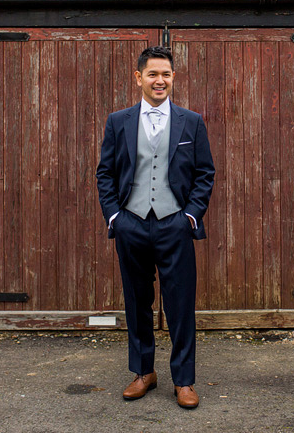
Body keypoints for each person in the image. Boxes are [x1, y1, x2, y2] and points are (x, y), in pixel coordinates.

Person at [95, 45, 215, 409]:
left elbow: (204, 174)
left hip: (173, 225)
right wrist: (116, 217)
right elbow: (105, 173)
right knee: (137, 302)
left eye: (165, 74)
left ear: (173, 77)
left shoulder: (191, 121)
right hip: (132, 223)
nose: (159, 80)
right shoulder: (118, 121)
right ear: (139, 78)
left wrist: (190, 217)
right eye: (152, 74)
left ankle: (183, 380)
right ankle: (143, 372)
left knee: (180, 304)